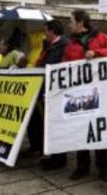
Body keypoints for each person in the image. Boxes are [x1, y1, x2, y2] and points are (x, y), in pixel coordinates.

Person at [63, 10, 107, 182]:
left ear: (81, 22)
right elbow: (64, 68)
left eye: (71, 21)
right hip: (79, 96)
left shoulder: (102, 38)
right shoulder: (70, 44)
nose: (69, 24)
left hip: (99, 95)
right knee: (82, 131)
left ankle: (103, 166)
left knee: (98, 131)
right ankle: (83, 166)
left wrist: (96, 54)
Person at [32, 20, 69, 170]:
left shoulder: (63, 46)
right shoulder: (49, 46)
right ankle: (53, 156)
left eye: (46, 31)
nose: (44, 34)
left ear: (53, 31)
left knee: (57, 126)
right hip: (47, 91)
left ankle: (59, 159)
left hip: (57, 93)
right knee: (49, 125)